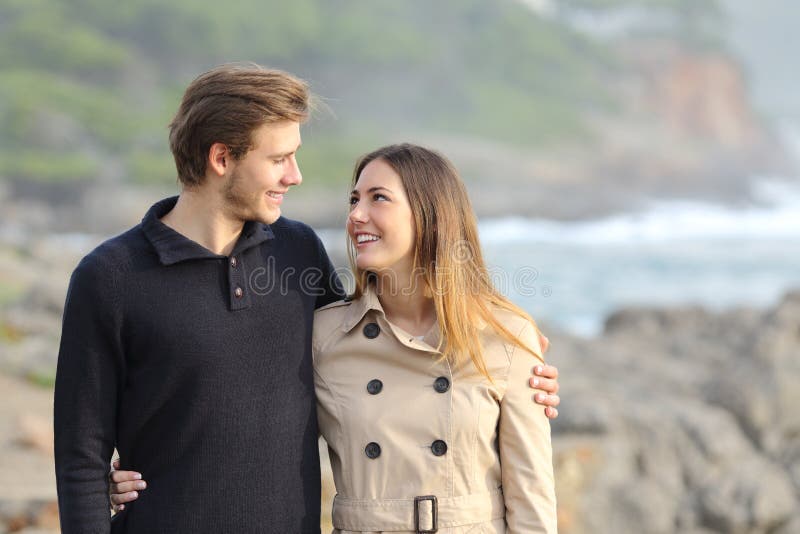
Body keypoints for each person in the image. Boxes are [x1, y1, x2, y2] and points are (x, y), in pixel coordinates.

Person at [55, 64, 561, 533]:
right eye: (279, 159)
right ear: (221, 158)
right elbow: (81, 454)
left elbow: (373, 347)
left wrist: (514, 365)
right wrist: (105, 489)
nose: (295, 175)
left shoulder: (298, 252)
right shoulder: (110, 277)